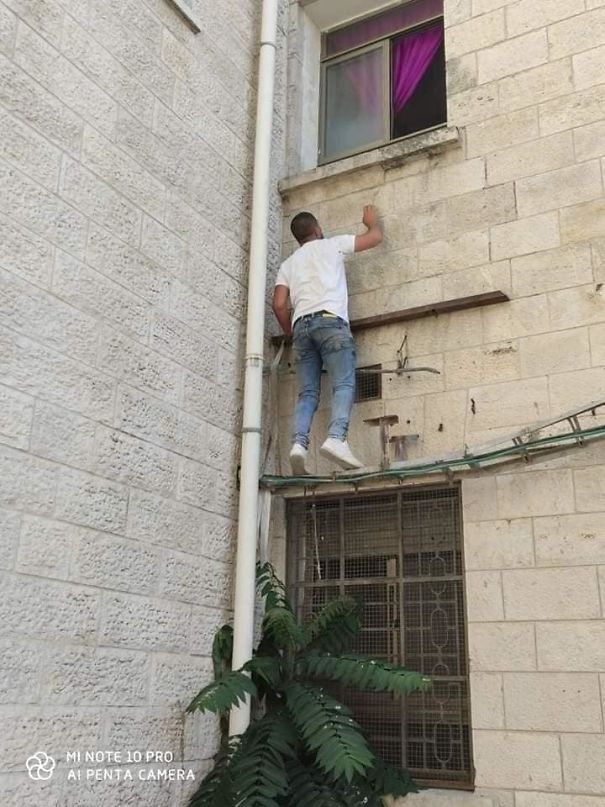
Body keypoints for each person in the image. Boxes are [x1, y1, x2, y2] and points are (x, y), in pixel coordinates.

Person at [272, 205, 383, 475]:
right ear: (318, 229)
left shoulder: (288, 265)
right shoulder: (332, 245)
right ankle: (336, 438)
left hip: (301, 327)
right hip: (331, 320)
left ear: (298, 238)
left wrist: (291, 331)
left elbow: (278, 304)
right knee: (343, 382)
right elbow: (375, 238)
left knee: (308, 392)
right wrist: (372, 221)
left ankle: (298, 445)